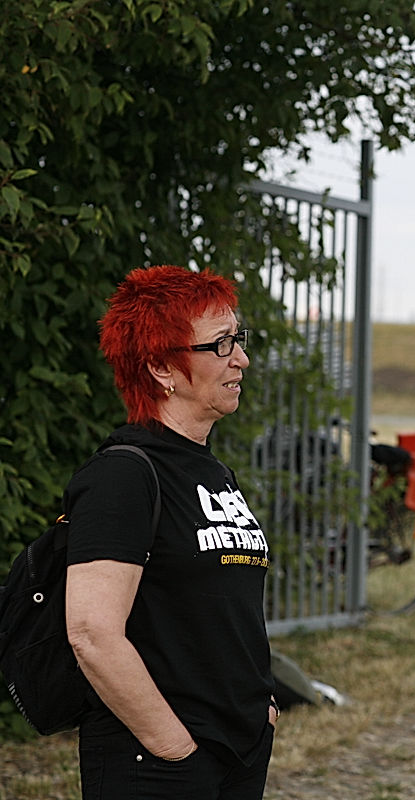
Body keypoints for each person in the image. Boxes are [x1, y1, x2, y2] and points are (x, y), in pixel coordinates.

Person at [64, 265, 277, 800]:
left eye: (238, 339)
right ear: (161, 366)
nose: (241, 359)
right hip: (162, 763)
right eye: (220, 345)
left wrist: (260, 709)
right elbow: (91, 632)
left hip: (238, 749)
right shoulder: (124, 475)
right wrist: (173, 746)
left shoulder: (212, 471)